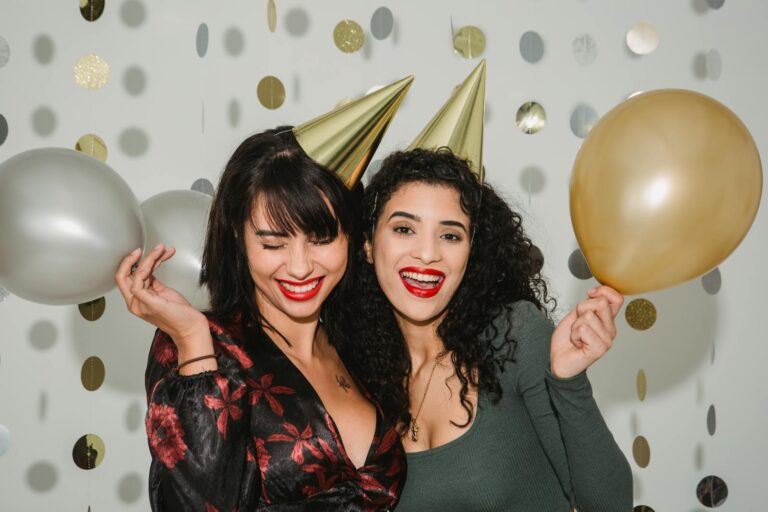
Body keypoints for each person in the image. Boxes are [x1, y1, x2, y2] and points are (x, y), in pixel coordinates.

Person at [114, 126, 407, 511]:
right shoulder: (196, 344)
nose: (300, 267)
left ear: (350, 236)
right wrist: (192, 339)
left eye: (321, 239)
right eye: (273, 243)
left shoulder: (362, 344)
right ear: (238, 235)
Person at [340, 148, 633, 511]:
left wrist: (569, 382)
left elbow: (611, 505)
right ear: (368, 244)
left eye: (450, 235)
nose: (427, 254)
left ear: (471, 251)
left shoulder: (514, 335)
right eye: (404, 229)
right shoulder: (358, 371)